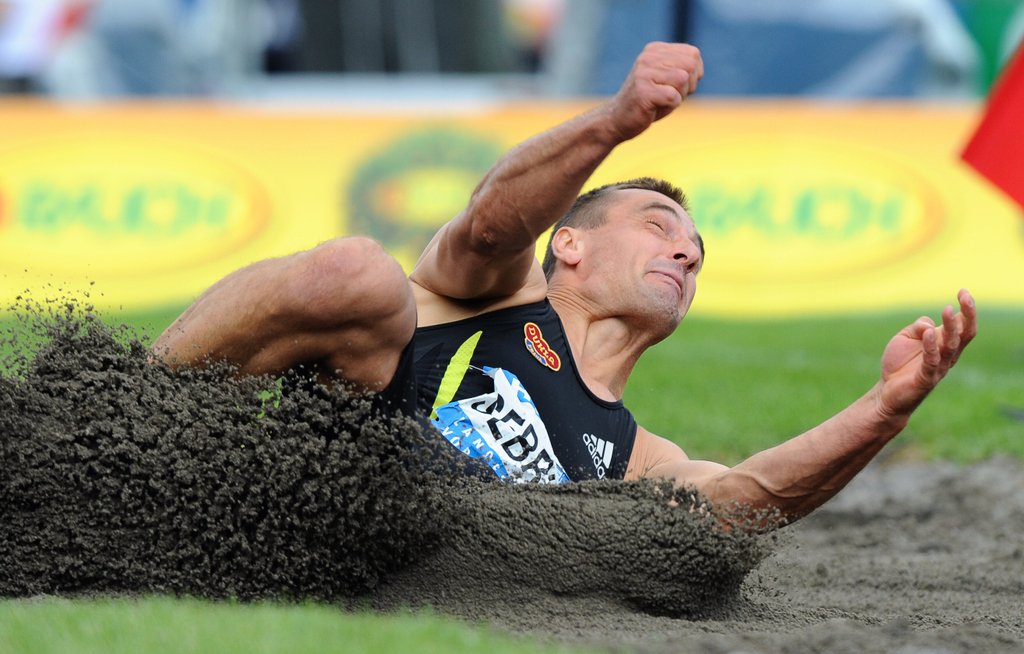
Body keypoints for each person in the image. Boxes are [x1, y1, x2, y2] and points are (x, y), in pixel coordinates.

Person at [153, 42, 977, 525]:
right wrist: (616, 123)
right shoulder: (493, 289)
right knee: (357, 271)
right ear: (571, 244)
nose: (686, 252)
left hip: (373, 555)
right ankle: (122, 416)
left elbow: (742, 502)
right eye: (658, 225)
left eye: (696, 250)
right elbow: (491, 224)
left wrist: (885, 409)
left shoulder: (637, 457)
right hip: (309, 465)